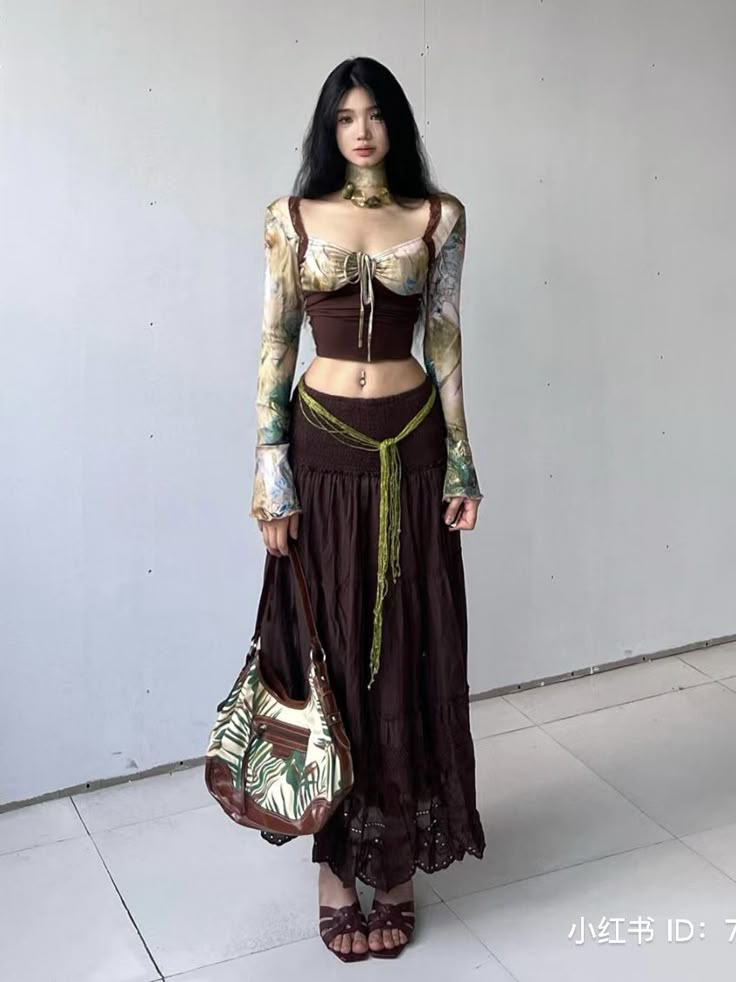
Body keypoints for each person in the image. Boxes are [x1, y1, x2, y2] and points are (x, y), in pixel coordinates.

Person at [249, 56, 486, 961]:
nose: (361, 130)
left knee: (407, 650)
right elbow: (275, 341)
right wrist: (271, 477)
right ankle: (336, 870)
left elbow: (446, 338)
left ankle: (395, 869)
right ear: (329, 127)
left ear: (396, 124)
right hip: (323, 451)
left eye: (376, 113)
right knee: (332, 654)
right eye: (345, 116)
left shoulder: (438, 216)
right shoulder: (290, 217)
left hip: (413, 447)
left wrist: (461, 464)